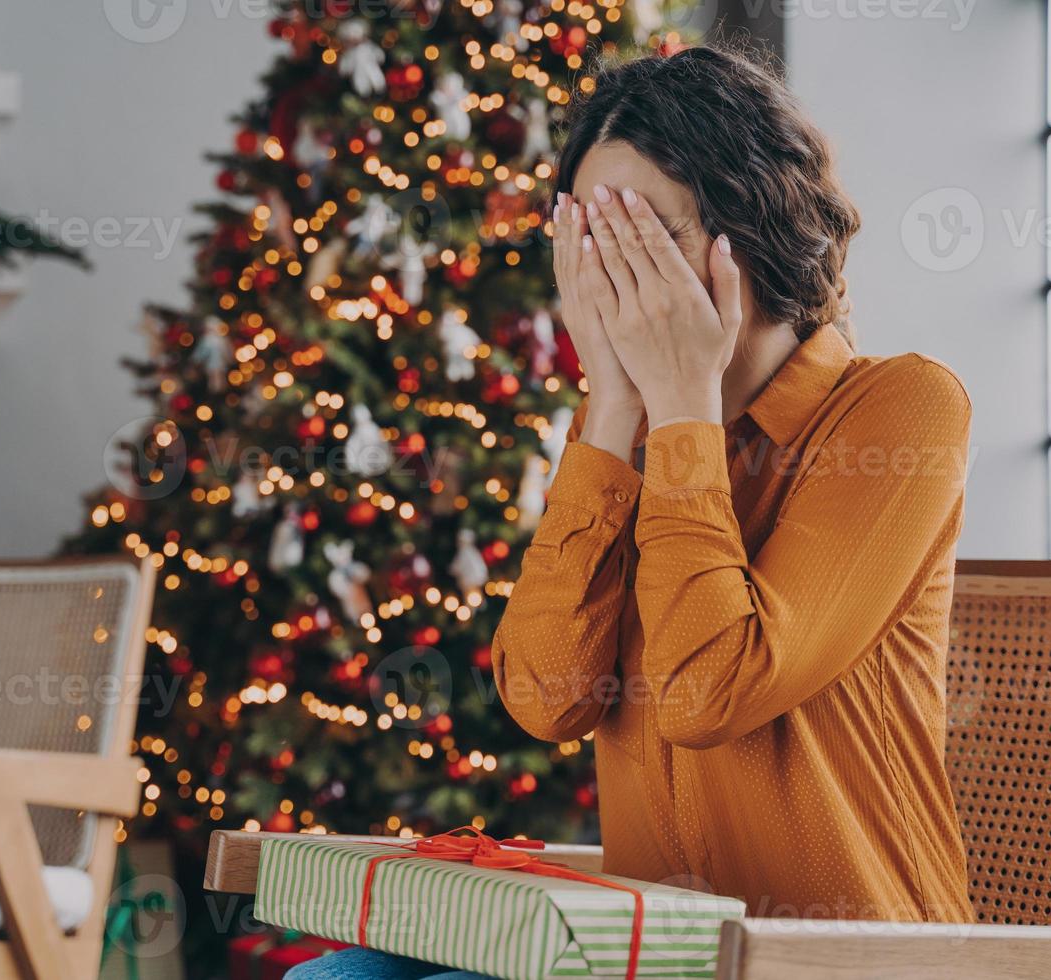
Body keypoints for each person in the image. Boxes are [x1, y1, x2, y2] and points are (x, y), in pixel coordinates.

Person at [293, 39, 973, 980]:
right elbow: (545, 697)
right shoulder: (629, 421)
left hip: (836, 959)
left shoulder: (903, 408)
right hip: (656, 952)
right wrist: (614, 408)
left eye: (645, 233)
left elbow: (706, 695)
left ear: (754, 227)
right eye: (589, 235)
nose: (613, 270)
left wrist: (684, 405)